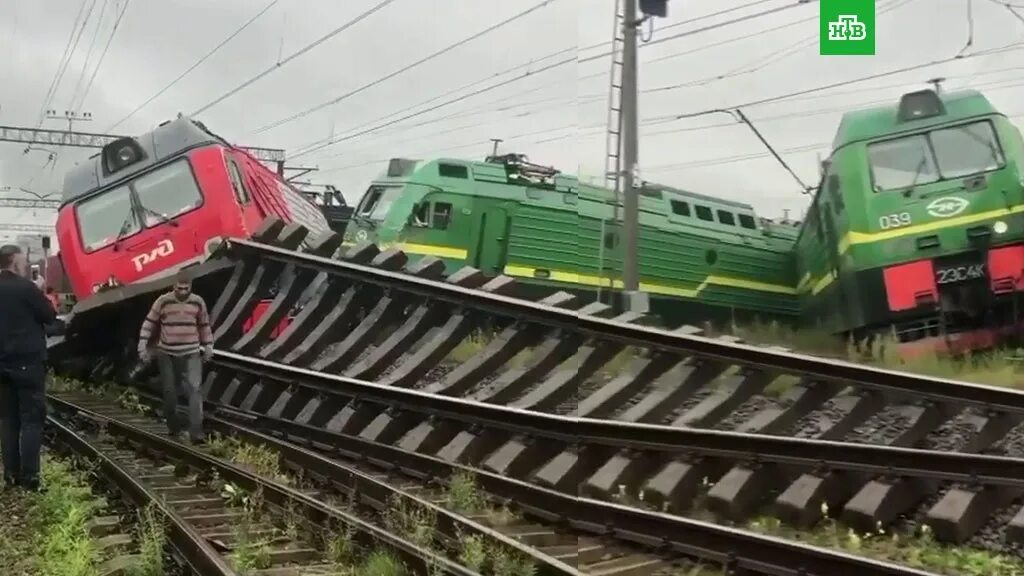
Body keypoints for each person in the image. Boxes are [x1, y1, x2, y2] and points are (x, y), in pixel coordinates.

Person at [0, 245, 57, 491]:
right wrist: (40, 290)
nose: (25, 266)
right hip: (27, 362)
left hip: (1, 365)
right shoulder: (26, 288)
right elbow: (49, 316)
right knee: (31, 420)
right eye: (23, 262)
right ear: (14, 263)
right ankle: (30, 478)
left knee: (7, 420)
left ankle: (10, 476)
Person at [138, 271, 214, 444]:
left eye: (186, 289)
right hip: (167, 353)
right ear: (174, 287)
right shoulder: (163, 301)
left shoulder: (197, 302)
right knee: (170, 393)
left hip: (191, 352)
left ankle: (196, 432)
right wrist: (142, 345)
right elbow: (149, 323)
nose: (182, 292)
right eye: (179, 288)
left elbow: (204, 325)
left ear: (190, 288)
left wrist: (209, 345)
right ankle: (174, 427)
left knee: (195, 390)